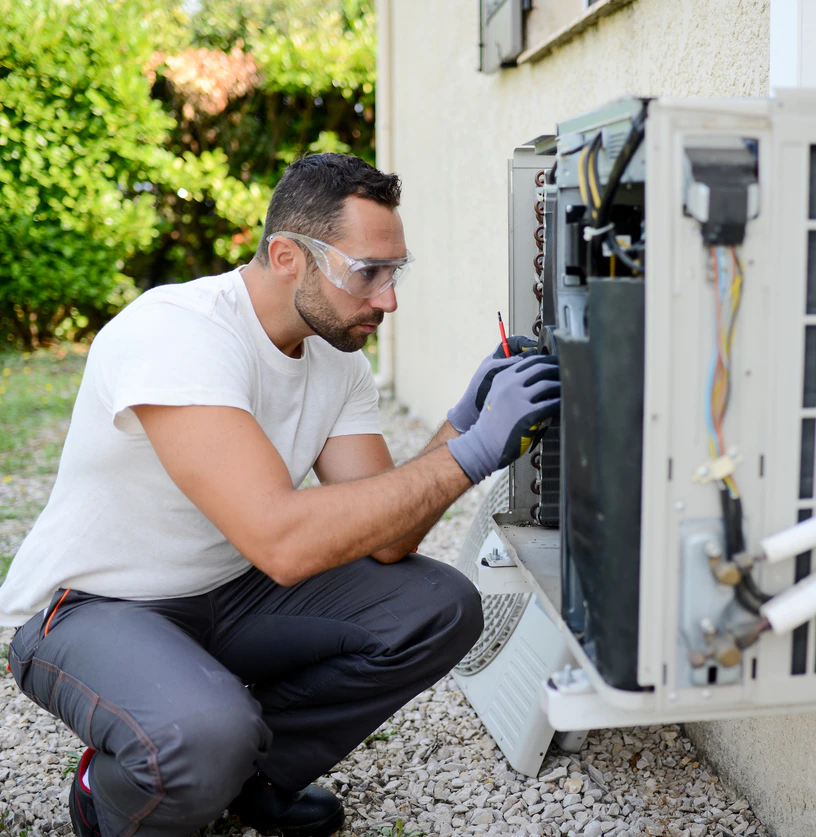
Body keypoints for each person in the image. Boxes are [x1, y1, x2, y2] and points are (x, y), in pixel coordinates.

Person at [0, 153, 559, 837]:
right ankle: (106, 795)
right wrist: (471, 456)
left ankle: (254, 782)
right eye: (368, 272)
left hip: (231, 590)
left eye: (395, 272)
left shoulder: (338, 359)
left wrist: (459, 421)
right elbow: (283, 540)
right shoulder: (178, 331)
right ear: (289, 254)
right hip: (93, 607)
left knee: (436, 607)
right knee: (202, 735)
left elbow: (384, 534)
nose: (388, 300)